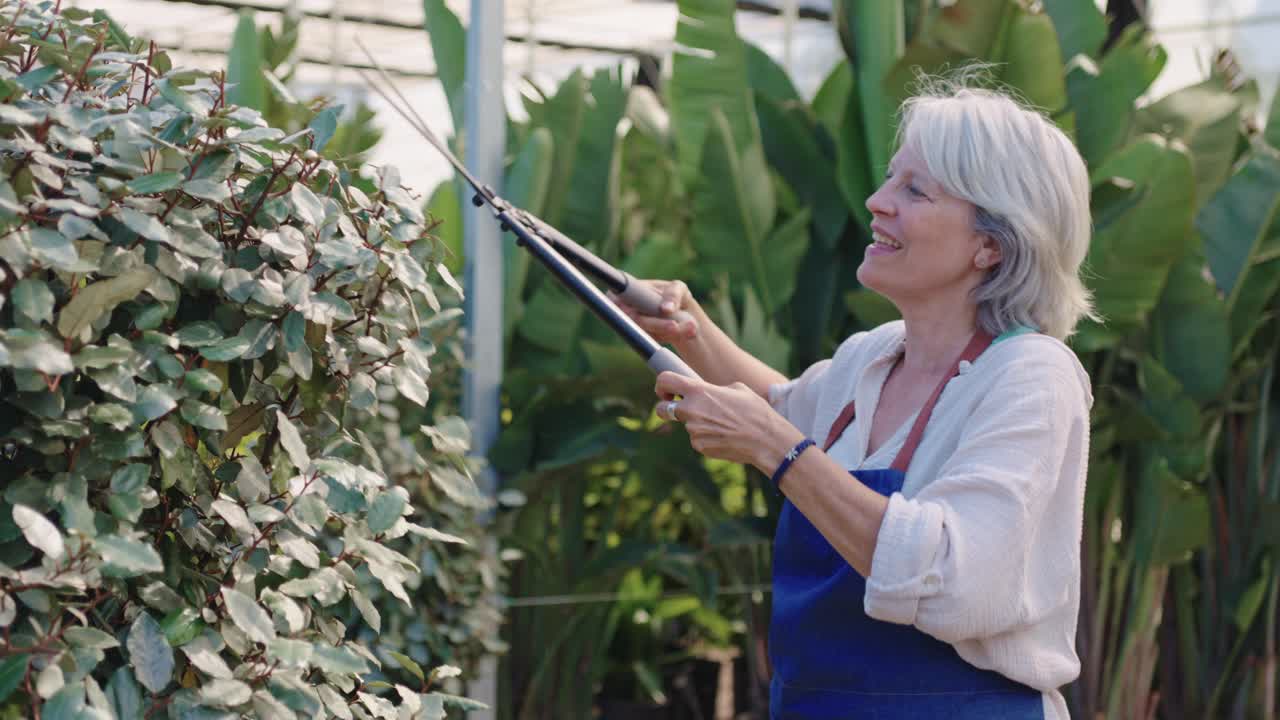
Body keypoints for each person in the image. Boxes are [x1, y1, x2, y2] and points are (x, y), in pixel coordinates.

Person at [617, 79, 1095, 719]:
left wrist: (775, 447)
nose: (876, 202)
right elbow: (783, 408)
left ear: (993, 243)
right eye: (889, 180)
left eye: (914, 190)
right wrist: (691, 330)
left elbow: (959, 580)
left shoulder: (1031, 376)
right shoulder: (874, 355)